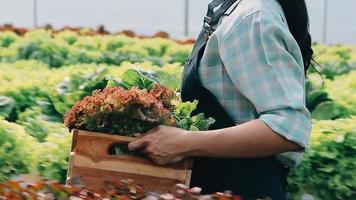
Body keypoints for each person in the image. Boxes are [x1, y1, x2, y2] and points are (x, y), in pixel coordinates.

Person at [129, 0, 313, 199]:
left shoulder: (252, 18)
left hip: (241, 187)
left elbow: (287, 128)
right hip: (216, 185)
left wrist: (183, 142)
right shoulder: (231, 10)